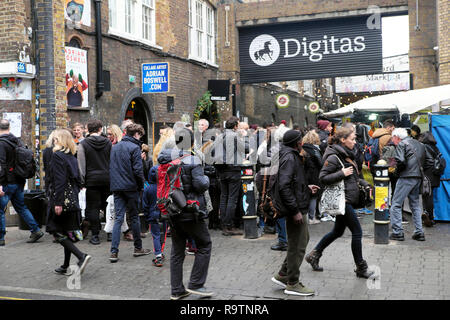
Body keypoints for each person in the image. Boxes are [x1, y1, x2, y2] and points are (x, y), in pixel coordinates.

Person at [305, 127, 374, 279]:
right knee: (357, 232)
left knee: (338, 231)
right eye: (352, 139)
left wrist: (364, 183)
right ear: (343, 140)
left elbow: (353, 177)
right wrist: (341, 173)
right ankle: (361, 267)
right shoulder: (333, 156)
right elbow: (323, 178)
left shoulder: (347, 155)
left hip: (347, 198)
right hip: (342, 200)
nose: (355, 142)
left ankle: (314, 255)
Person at [157, 128, 213, 300]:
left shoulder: (165, 158)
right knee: (205, 244)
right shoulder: (192, 159)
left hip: (172, 209)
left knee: (177, 250)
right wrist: (207, 178)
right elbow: (200, 185)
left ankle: (177, 290)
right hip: (190, 209)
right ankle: (196, 284)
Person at [270, 130, 316, 296]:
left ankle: (283, 274)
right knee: (297, 246)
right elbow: (284, 186)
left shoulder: (289, 154)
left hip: (297, 204)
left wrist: (306, 188)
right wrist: (295, 211)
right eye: (301, 140)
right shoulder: (290, 157)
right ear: (298, 143)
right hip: (295, 208)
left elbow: (293, 183)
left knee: (302, 240)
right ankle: (293, 282)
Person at [45, 129, 91, 276]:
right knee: (66, 231)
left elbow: (59, 180)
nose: (54, 141)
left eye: (56, 139)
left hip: (61, 200)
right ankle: (65, 265)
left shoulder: (57, 156)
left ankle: (81, 256)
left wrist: (58, 202)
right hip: (72, 200)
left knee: (55, 230)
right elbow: (77, 180)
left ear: (61, 141)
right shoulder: (71, 156)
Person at [109, 123, 151, 262]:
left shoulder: (115, 147)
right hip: (131, 187)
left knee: (118, 219)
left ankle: (113, 252)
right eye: (140, 135)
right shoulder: (134, 148)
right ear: (137, 134)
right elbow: (138, 171)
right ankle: (138, 248)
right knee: (134, 218)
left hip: (117, 187)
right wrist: (141, 185)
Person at [0, 119, 44, 246]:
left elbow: (1, 165)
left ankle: (1, 237)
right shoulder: (17, 141)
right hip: (19, 181)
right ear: (9, 127)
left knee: (0, 209)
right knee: (21, 207)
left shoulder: (2, 143)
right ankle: (35, 230)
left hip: (7, 183)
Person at [389, 128, 433, 241]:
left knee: (396, 204)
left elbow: (401, 161)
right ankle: (419, 232)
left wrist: (396, 172)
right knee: (415, 205)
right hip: (418, 178)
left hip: (406, 177)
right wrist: (419, 170)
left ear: (397, 137)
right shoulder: (420, 144)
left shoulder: (401, 144)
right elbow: (430, 161)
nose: (392, 140)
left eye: (392, 138)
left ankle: (397, 232)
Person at [77, 119, 112, 245]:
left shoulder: (83, 144)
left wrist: (82, 181)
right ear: (100, 129)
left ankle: (95, 235)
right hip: (107, 179)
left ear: (88, 129)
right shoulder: (108, 143)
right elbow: (112, 161)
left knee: (93, 208)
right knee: (108, 206)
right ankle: (110, 233)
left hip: (91, 181)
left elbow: (81, 165)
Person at [213, 116, 246, 236]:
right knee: (232, 198)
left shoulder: (220, 136)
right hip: (233, 169)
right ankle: (229, 226)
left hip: (221, 170)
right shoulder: (235, 136)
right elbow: (245, 149)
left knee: (224, 196)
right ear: (235, 126)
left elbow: (212, 151)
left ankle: (223, 224)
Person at [142, 165, 168, 267]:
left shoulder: (147, 189)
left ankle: (158, 256)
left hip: (152, 216)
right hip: (163, 214)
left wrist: (146, 215)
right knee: (163, 234)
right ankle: (160, 252)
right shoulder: (164, 187)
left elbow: (145, 205)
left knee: (156, 235)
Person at [419, 132, 443, 227]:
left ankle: (429, 216)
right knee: (430, 195)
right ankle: (430, 216)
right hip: (435, 174)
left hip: (427, 174)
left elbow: (422, 161)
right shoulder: (435, 147)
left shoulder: (423, 147)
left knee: (427, 196)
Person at [301, 130, 323, 225]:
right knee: (314, 197)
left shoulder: (302, 148)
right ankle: (311, 218)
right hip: (314, 176)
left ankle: (306, 217)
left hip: (304, 175)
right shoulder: (315, 150)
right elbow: (320, 163)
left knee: (306, 196)